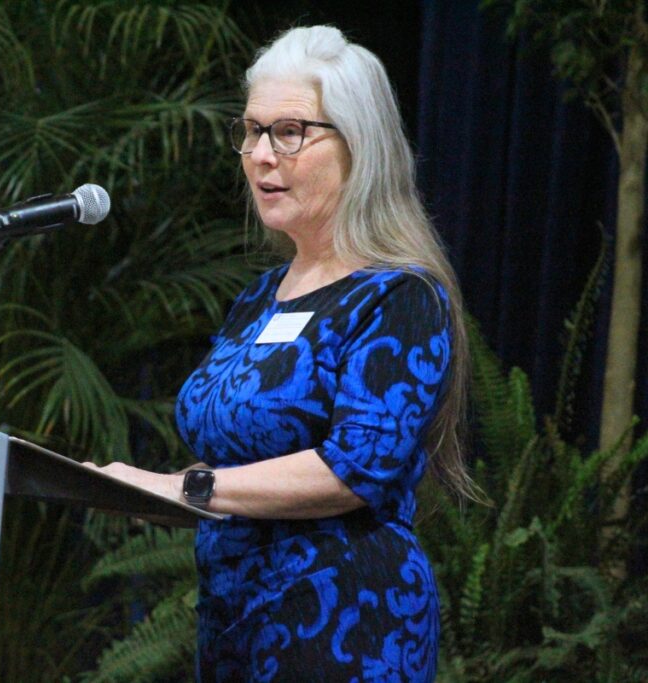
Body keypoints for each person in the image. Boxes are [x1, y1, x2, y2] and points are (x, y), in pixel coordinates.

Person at [88, 25, 480, 682]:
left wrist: (183, 488)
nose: (262, 155)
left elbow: (355, 469)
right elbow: (242, 452)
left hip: (347, 623)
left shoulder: (400, 297)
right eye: (252, 130)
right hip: (234, 620)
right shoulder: (259, 299)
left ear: (361, 149)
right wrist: (132, 488)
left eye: (290, 131)